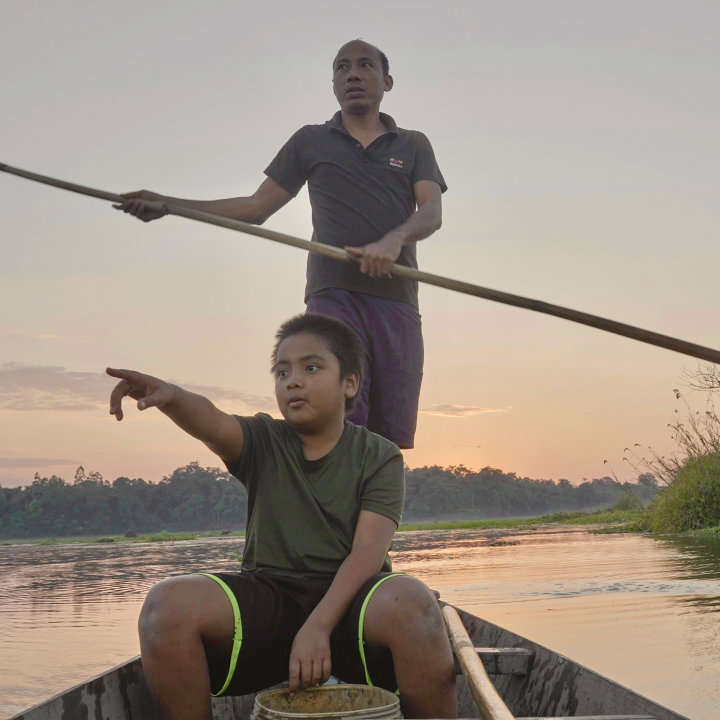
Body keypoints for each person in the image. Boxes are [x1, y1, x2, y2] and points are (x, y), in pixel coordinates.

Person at [106, 313, 456, 720]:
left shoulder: (379, 455)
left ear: (350, 383)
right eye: (282, 371)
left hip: (352, 607)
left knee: (414, 602)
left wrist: (319, 626)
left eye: (311, 367)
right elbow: (213, 422)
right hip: (270, 601)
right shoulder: (262, 440)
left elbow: (367, 553)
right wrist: (173, 396)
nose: (293, 380)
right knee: (165, 605)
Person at [114, 39, 446, 451]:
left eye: (365, 66)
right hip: (334, 295)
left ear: (387, 81)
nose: (353, 74)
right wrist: (170, 206)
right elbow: (256, 208)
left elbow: (431, 211)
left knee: (388, 438)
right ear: (334, 84)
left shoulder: (413, 144)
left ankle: (377, 513)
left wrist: (394, 240)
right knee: (338, 420)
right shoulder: (310, 141)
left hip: (397, 301)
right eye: (342, 68)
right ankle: (329, 513)